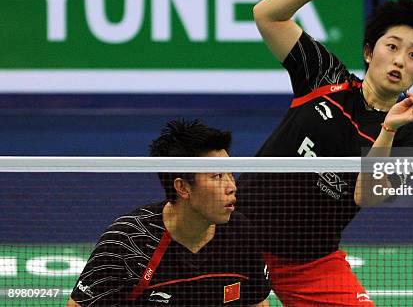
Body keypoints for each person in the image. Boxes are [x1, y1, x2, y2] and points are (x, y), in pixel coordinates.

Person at [237, 0, 413, 306]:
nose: (398, 60)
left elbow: (368, 195)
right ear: (368, 51)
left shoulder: (408, 139)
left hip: (310, 261)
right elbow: (267, 15)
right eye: (392, 46)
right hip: (239, 240)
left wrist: (388, 130)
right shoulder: (324, 77)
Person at [67, 119, 271, 306]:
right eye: (217, 176)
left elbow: (257, 303)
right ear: (183, 188)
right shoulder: (127, 241)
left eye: (230, 174)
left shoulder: (241, 233)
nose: (231, 186)